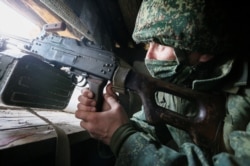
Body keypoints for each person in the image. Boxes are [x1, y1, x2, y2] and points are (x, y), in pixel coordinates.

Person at [75, 0, 250, 165]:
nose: (148, 56)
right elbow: (147, 125)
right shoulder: (182, 78)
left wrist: (121, 137)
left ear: (204, 51)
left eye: (161, 45)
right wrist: (112, 120)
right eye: (147, 45)